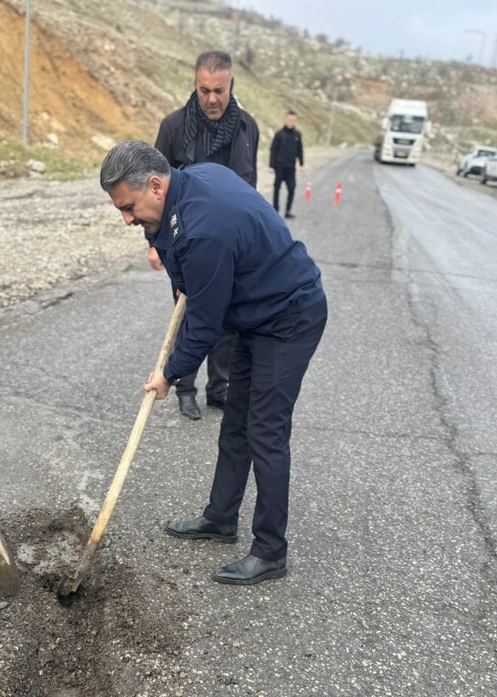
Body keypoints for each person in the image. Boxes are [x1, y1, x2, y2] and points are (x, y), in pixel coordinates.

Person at [101, 141, 327, 587]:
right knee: (235, 422)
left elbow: (204, 326)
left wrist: (169, 374)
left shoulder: (205, 229)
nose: (126, 219)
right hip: (255, 314)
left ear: (155, 184)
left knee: (266, 431)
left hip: (289, 317)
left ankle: (270, 551)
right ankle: (220, 518)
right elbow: (186, 273)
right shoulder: (192, 182)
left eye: (128, 207)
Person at [150, 50, 259, 421]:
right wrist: (154, 245)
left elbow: (251, 187)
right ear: (195, 87)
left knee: (228, 318)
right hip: (185, 242)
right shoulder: (173, 127)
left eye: (219, 90)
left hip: (232, 244)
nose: (212, 99)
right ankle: (184, 387)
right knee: (189, 313)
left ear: (231, 85)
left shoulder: (246, 127)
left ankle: (219, 387)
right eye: (204, 90)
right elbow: (151, 192)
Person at [269, 111, 303, 219]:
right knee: (277, 188)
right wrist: (271, 165)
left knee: (292, 188)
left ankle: (288, 211)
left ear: (295, 121)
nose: (291, 122)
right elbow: (273, 150)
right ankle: (275, 210)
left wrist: (301, 163)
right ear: (285, 120)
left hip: (291, 167)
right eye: (289, 120)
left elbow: (300, 150)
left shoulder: (297, 135)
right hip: (279, 166)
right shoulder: (279, 134)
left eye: (293, 120)